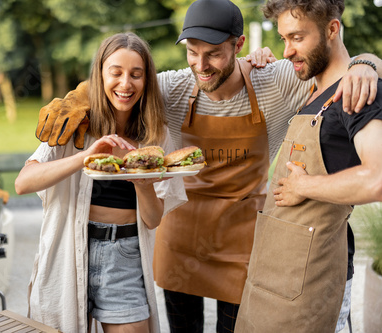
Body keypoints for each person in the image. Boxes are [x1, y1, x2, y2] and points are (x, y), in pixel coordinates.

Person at [33, 1, 382, 331]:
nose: (201, 66)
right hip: (181, 239)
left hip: (240, 242)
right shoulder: (173, 87)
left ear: (239, 45)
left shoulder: (278, 81)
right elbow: (121, 82)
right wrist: (78, 96)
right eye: (192, 53)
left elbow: (336, 65)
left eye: (214, 53)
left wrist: (366, 63)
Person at [15, 32, 187, 333]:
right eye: (116, 73)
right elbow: (23, 182)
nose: (125, 84)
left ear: (146, 80)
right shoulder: (75, 125)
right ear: (100, 75)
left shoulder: (155, 138)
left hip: (124, 255)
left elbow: (152, 219)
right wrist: (85, 158)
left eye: (136, 74)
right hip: (67, 251)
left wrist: (143, 183)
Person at [235, 1, 382, 332]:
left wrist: (305, 186)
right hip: (276, 277)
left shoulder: (356, 91)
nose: (287, 50)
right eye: (284, 38)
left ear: (332, 29)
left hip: (311, 282)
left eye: (297, 38)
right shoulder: (315, 90)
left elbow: (378, 179)